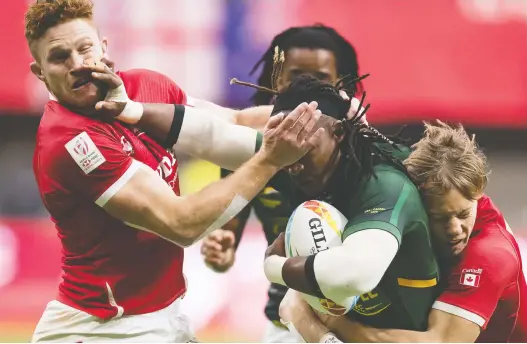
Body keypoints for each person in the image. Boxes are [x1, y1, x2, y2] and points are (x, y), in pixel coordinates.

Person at [25, 0, 323, 342]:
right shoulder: (69, 141)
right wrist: (272, 158)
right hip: (101, 328)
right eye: (60, 57)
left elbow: (233, 121)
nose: (77, 64)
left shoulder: (146, 87)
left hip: (161, 316)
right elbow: (181, 223)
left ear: (103, 47)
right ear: (40, 73)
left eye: (84, 48)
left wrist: (320, 119)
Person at [279, 122, 527, 343]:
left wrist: (331, 325)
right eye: (439, 218)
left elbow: (438, 342)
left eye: (463, 214)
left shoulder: (489, 255)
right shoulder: (400, 197)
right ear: (416, 202)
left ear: (479, 194)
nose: (454, 230)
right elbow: (292, 304)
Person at [199, 24, 365, 343]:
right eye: (296, 76)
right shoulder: (247, 150)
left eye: (320, 78)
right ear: (277, 83)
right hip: (283, 324)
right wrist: (219, 249)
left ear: (341, 86)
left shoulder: (362, 151)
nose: (307, 87)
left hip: (353, 324)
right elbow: (227, 242)